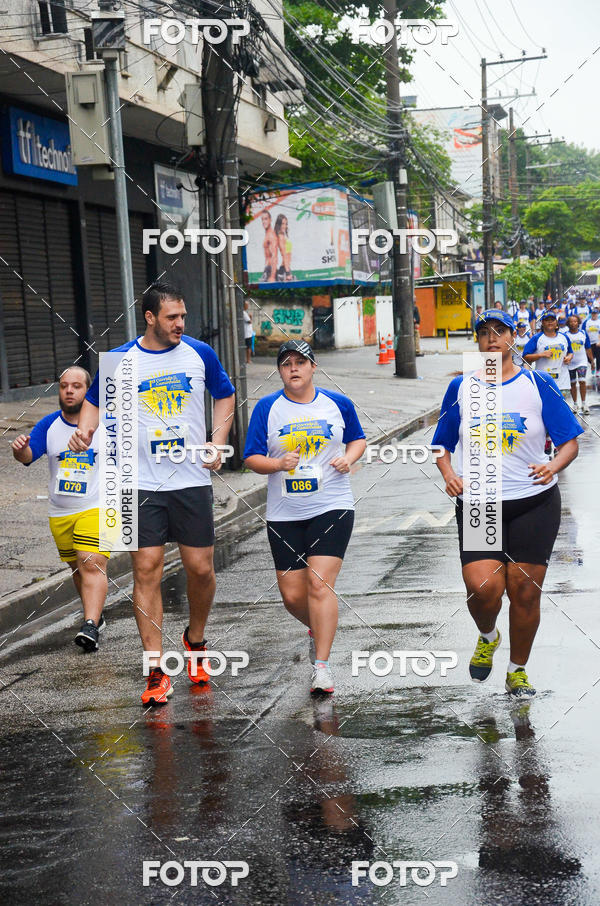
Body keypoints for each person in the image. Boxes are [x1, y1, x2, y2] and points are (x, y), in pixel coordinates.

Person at [68, 282, 236, 706]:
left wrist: (217, 440)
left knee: (200, 568)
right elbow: (92, 402)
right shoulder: (123, 360)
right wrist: (85, 430)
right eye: (172, 317)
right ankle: (156, 669)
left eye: (183, 316)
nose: (181, 323)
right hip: (137, 481)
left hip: (191, 480)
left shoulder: (200, 353)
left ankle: (194, 641)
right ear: (150, 318)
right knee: (146, 568)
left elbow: (226, 395)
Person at [433, 309, 583, 698]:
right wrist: (449, 473)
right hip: (480, 503)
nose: (492, 338)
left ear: (513, 337)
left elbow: (569, 441)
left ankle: (517, 671)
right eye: (484, 333)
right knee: (483, 588)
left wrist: (553, 466)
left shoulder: (538, 384)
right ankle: (488, 635)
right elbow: (441, 444)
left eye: (500, 331)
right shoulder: (461, 388)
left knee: (525, 592)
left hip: (533, 501)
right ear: (478, 342)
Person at [243, 339, 366, 696]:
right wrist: (277, 463)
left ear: (313, 367)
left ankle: (322, 667)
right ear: (280, 371)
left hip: (332, 505)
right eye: (286, 364)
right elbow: (251, 458)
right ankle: (318, 627)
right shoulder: (267, 408)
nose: (293, 368)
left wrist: (349, 458)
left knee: (318, 584)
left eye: (300, 362)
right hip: (284, 513)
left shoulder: (337, 403)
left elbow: (357, 439)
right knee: (293, 595)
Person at [12, 367, 109, 652]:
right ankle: (96, 615)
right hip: (60, 512)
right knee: (78, 569)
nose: (69, 391)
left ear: (88, 391)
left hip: (98, 506)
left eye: (76, 386)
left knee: (90, 561)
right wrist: (20, 451)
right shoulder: (48, 424)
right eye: (64, 386)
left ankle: (90, 624)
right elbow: (29, 455)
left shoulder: (106, 423)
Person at [522, 311, 573, 386]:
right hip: (544, 383)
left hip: (563, 382)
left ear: (556, 322)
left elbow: (570, 352)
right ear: (542, 322)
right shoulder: (536, 338)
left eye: (552, 320)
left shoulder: (564, 337)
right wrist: (541, 355)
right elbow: (525, 357)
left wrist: (569, 357)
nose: (550, 322)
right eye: (547, 320)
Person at [564, 314, 593, 414]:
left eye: (575, 321)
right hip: (570, 362)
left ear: (578, 322)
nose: (573, 323)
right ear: (568, 323)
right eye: (571, 321)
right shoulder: (565, 335)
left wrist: (592, 360)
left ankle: (584, 404)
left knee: (582, 381)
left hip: (582, 361)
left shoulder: (583, 333)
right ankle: (575, 404)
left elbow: (588, 348)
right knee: (572, 383)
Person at [260, 209, 278, 282]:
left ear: (270, 220)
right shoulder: (267, 234)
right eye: (262, 219)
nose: (264, 222)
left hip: (270, 271)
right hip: (267, 269)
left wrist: (272, 276)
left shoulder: (271, 235)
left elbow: (274, 256)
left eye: (266, 219)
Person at [274, 213, 293, 282]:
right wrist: (288, 273)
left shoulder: (282, 236)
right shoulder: (280, 237)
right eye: (282, 224)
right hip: (284, 270)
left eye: (286, 224)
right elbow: (284, 255)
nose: (284, 226)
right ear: (278, 224)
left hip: (286, 268)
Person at [583, 307, 600, 375]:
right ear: (591, 314)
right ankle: (593, 365)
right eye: (593, 313)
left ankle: (598, 370)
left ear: (597, 314)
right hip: (589, 343)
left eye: (595, 313)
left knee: (599, 356)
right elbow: (583, 331)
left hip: (597, 342)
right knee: (589, 358)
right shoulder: (587, 322)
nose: (594, 315)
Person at [243, 300, 254, 365]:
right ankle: (248, 360)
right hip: (247, 333)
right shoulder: (244, 313)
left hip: (248, 333)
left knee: (248, 347)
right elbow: (249, 321)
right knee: (248, 347)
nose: (247, 306)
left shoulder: (245, 312)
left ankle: (248, 359)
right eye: (247, 305)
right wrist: (250, 317)